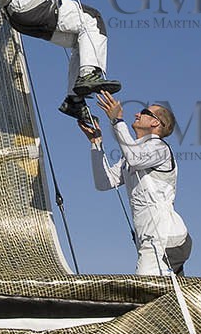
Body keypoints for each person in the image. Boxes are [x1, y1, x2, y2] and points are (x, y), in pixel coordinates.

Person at [80, 91, 191, 276]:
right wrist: (96, 143)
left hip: (165, 238)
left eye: (143, 111)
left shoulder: (160, 148)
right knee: (167, 298)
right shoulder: (131, 156)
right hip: (151, 239)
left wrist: (117, 121)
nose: (137, 114)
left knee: (144, 286)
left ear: (156, 123)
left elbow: (136, 159)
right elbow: (103, 182)